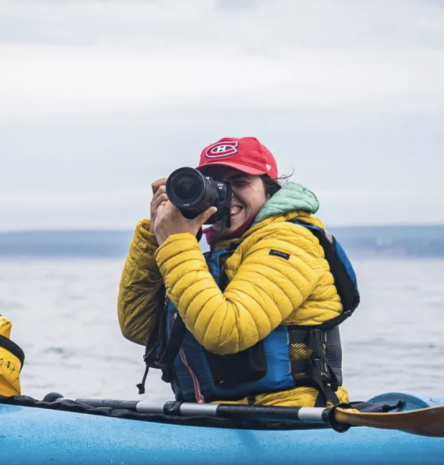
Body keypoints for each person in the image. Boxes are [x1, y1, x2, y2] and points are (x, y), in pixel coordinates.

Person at [117, 137, 359, 408]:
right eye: (214, 184)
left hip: (289, 415)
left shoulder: (290, 240)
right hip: (218, 416)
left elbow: (227, 332)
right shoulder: (208, 255)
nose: (227, 194)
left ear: (269, 191)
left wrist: (177, 243)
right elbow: (140, 329)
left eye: (240, 182)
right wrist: (155, 235)